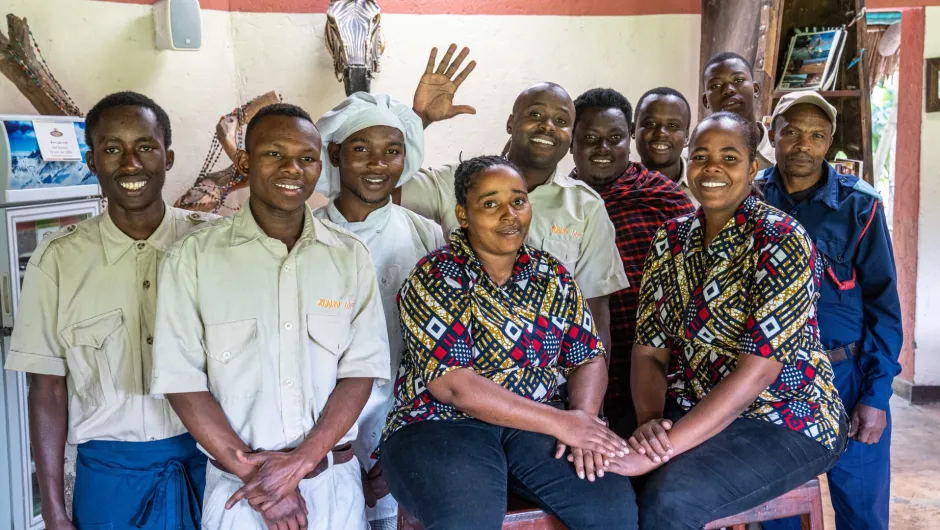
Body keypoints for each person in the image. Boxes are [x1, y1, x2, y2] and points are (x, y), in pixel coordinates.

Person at [150, 103, 390, 530]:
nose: (292, 169)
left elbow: (361, 371)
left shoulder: (349, 257)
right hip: (241, 497)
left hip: (333, 486)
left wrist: (300, 462)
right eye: (274, 154)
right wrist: (261, 482)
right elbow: (181, 380)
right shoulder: (194, 258)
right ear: (244, 161)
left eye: (306, 158)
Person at [603, 112, 847, 530]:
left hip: (785, 417)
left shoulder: (781, 240)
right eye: (700, 156)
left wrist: (658, 451)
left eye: (729, 157)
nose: (712, 168)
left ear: (753, 168)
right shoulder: (672, 238)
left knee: (670, 501)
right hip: (692, 403)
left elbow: (755, 375)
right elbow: (650, 350)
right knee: (596, 472)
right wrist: (650, 426)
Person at [381, 155, 638, 530]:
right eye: (490, 204)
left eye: (517, 201)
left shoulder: (551, 275)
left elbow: (587, 356)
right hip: (441, 424)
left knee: (612, 512)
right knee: (468, 518)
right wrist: (563, 423)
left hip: (537, 424)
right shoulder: (437, 275)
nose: (509, 215)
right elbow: (454, 386)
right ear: (463, 215)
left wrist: (582, 420)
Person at [4, 91, 214, 530]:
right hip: (108, 481)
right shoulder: (58, 260)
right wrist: (56, 514)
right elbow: (47, 390)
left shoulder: (211, 245)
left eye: (145, 147)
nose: (130, 163)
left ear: (168, 157)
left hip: (211, 465)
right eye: (112, 149)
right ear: (92, 160)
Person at [396, 44, 629, 355]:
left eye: (561, 121)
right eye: (535, 115)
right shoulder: (458, 181)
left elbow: (595, 311)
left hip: (549, 385)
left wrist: (591, 401)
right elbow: (375, 187)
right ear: (510, 123)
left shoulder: (585, 207)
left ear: (570, 136)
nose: (548, 125)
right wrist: (418, 120)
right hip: (462, 366)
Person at [758, 91, 902, 530]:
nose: (804, 144)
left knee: (861, 509)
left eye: (817, 135)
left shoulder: (860, 205)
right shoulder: (750, 196)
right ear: (772, 133)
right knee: (777, 510)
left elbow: (884, 304)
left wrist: (875, 396)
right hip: (769, 381)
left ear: (830, 141)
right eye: (792, 132)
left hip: (847, 377)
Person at [312, 92, 444, 530]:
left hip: (409, 429)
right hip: (328, 441)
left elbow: (445, 350)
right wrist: (337, 445)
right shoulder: (308, 237)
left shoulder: (425, 234)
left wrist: (401, 451)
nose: (377, 164)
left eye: (392, 152)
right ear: (335, 153)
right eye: (361, 149)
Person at [569, 87, 695, 427]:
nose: (603, 148)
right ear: (571, 142)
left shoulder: (665, 199)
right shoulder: (554, 206)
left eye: (615, 137)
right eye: (590, 137)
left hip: (659, 376)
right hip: (575, 378)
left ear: (630, 138)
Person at [702, 51, 776, 169]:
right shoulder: (691, 160)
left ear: (755, 90)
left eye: (738, 80)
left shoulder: (779, 156)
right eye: (715, 85)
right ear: (706, 101)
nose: (728, 90)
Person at [632, 87, 698, 206]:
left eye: (672, 125)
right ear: (632, 130)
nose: (661, 133)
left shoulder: (705, 187)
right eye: (650, 124)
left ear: (687, 137)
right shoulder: (618, 189)